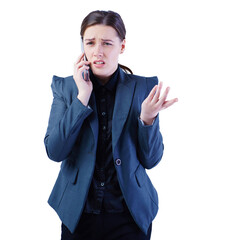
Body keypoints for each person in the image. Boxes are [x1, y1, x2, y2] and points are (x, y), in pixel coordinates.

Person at [44, 10, 178, 240]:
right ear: (82, 45)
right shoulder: (65, 88)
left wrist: (147, 120)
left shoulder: (144, 88)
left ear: (122, 46)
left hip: (130, 215)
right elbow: (55, 151)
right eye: (90, 42)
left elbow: (151, 160)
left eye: (107, 43)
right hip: (79, 214)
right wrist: (81, 98)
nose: (98, 51)